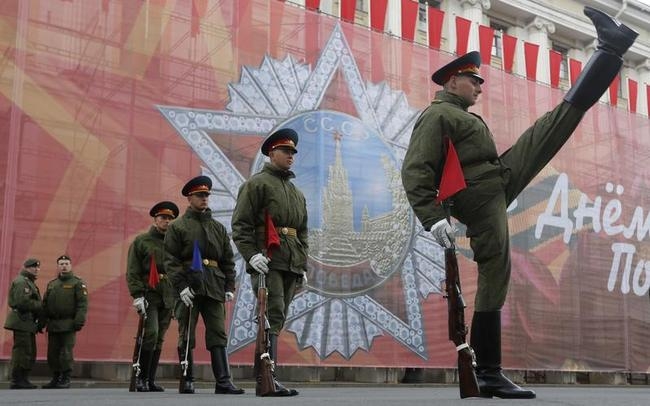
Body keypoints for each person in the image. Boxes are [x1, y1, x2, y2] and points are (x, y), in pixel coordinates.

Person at [401, 7, 637, 400]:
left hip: (496, 180)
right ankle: (488, 371)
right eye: (474, 80)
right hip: (477, 197)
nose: (480, 87)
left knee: (559, 120)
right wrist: (432, 219)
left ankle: (610, 50)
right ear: (454, 80)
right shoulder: (438, 115)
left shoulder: (460, 115)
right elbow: (415, 170)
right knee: (497, 269)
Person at [231, 127, 308, 397]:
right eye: (286, 151)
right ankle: (268, 379)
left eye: (292, 152)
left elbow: (302, 231)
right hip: (268, 259)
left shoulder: (296, 192)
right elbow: (241, 225)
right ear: (271, 152)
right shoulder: (256, 185)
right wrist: (251, 254)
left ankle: (267, 377)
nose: (291, 156)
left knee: (278, 316)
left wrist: (303, 266)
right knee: (271, 314)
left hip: (290, 261)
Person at [164, 175, 244, 395]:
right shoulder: (178, 226)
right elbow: (171, 260)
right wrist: (181, 287)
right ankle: (187, 379)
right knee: (186, 333)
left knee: (218, 333)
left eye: (206, 195)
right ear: (190, 198)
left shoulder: (218, 228)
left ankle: (224, 381)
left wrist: (229, 286)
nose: (204, 199)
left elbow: (228, 260)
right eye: (200, 195)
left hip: (214, 286)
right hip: (189, 285)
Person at [126, 201, 179, 392]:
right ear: (155, 219)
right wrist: (137, 295)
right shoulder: (142, 241)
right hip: (149, 294)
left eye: (170, 218)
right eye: (163, 218)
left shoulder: (174, 243)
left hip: (168, 294)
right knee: (151, 334)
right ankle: (140, 378)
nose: (166, 221)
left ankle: (150, 379)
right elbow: (133, 271)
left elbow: (177, 269)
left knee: (159, 338)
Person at [40, 255, 88, 389]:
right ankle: (55, 378)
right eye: (61, 263)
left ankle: (66, 378)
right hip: (53, 324)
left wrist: (79, 321)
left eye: (66, 263)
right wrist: (41, 322)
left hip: (68, 324)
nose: (64, 266)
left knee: (66, 352)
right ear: (58, 266)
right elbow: (45, 305)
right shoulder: (52, 284)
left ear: (70, 265)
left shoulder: (77, 283)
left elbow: (82, 304)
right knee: (52, 353)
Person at [4, 258, 42, 389]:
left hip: (26, 322)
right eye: (33, 267)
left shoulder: (28, 282)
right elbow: (22, 302)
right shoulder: (22, 282)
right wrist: (40, 305)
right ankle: (17, 379)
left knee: (28, 350)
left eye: (37, 267)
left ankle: (23, 378)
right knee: (22, 350)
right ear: (26, 268)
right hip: (21, 320)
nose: (36, 269)